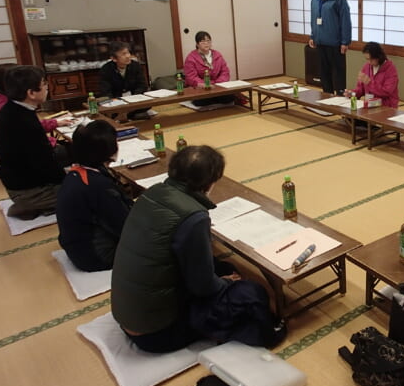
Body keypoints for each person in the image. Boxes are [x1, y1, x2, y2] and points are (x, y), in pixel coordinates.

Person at [111, 145, 284, 353]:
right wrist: (225, 283)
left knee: (224, 266)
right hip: (158, 332)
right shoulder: (193, 217)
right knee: (250, 292)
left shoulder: (154, 192)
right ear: (210, 182)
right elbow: (202, 286)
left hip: (128, 316)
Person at [57, 120, 133, 271]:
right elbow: (124, 226)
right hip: (96, 256)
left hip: (75, 247)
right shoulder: (98, 185)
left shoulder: (76, 173)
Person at [0, 66, 66, 219]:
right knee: (86, 191)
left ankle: (33, 204)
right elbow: (45, 162)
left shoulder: (13, 108)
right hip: (28, 189)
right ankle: (30, 205)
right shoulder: (23, 121)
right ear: (31, 93)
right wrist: (67, 181)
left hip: (18, 180)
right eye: (44, 84)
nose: (47, 87)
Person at [0, 62, 73, 159]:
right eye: (43, 84)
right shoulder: (8, 109)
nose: (47, 87)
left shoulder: (11, 105)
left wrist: (55, 122)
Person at [308, 0, 352, 95]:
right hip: (320, 42)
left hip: (335, 44)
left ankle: (340, 100)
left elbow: (345, 20)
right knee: (324, 74)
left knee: (338, 75)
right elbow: (313, 17)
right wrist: (312, 36)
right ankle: (327, 99)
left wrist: (345, 42)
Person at [184, 31, 238, 107]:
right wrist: (206, 85)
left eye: (208, 41)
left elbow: (225, 72)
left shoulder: (217, 55)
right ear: (197, 44)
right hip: (201, 87)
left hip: (217, 86)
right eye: (203, 41)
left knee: (230, 97)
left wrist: (217, 83)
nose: (206, 43)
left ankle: (214, 98)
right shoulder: (191, 57)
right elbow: (191, 77)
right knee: (200, 101)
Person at [99, 41, 150, 120]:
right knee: (105, 107)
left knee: (147, 103)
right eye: (123, 54)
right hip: (116, 100)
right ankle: (129, 114)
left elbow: (142, 85)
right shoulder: (106, 70)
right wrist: (117, 102)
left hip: (134, 99)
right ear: (113, 58)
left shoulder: (135, 65)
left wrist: (134, 98)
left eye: (128, 52)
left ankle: (127, 114)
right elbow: (106, 91)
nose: (128, 56)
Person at [344, 41, 399, 107]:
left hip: (386, 106)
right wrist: (352, 93)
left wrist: (370, 83)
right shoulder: (366, 67)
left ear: (379, 56)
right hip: (370, 104)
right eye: (367, 59)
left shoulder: (390, 69)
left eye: (371, 59)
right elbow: (360, 89)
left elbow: (386, 92)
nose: (369, 62)